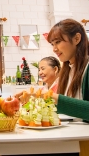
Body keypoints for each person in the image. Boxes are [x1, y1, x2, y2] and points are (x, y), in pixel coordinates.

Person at [14, 18, 89, 156]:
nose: (54, 49)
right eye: (52, 44)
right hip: (68, 138)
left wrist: (50, 97)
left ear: (77, 38)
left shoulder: (87, 68)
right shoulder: (68, 71)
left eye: (58, 42)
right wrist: (35, 98)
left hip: (82, 144)